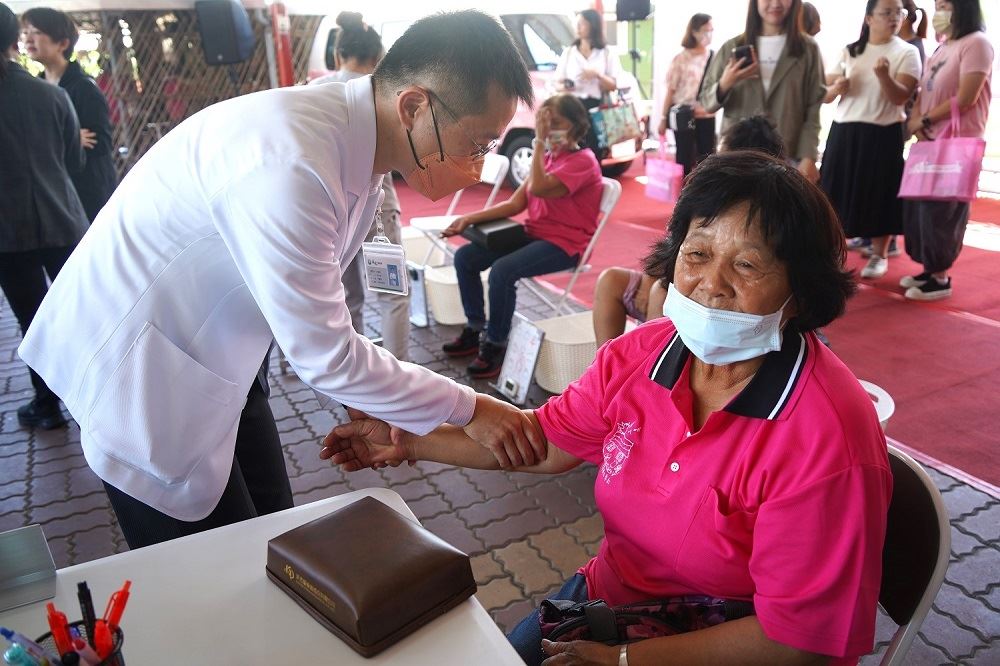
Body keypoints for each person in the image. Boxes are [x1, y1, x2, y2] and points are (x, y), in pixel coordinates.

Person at [325, 151, 890, 666]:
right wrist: (410, 441)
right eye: (697, 254)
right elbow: (541, 444)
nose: (710, 285)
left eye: (747, 265)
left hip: (731, 644)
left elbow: (797, 641)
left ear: (802, 289)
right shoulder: (641, 354)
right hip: (615, 601)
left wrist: (624, 663)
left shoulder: (827, 434)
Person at [18, 10, 545, 549]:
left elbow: (320, 311)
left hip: (219, 357)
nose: (479, 169)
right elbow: (326, 355)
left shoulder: (356, 144)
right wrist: (472, 409)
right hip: (138, 362)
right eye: (478, 144)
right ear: (414, 106)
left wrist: (372, 397)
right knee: (211, 567)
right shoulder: (292, 159)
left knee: (271, 526)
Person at [440, 94, 603, 378]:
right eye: (544, 120)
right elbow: (516, 203)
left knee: (503, 271)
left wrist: (538, 142)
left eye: (555, 121)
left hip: (565, 244)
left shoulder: (584, 162)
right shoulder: (550, 158)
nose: (548, 126)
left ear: (576, 125)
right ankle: (475, 327)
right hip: (534, 234)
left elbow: (539, 189)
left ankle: (496, 344)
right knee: (466, 257)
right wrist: (467, 219)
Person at [592, 115, 785, 347]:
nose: (715, 162)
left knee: (659, 292)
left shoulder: (778, 211)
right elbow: (674, 249)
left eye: (723, 158)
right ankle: (612, 361)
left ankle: (652, 363)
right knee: (612, 280)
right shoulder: (707, 197)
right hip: (674, 286)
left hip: (709, 312)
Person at [0, 2, 88, 431]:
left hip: (7, 235)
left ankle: (47, 404)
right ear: (13, 41)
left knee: (32, 320)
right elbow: (74, 161)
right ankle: (100, 396)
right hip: (63, 220)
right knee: (83, 310)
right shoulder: (52, 95)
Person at [309, 12, 410, 361]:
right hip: (377, 208)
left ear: (338, 56)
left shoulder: (315, 91)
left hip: (328, 206)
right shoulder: (385, 94)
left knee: (347, 295)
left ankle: (356, 380)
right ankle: (399, 377)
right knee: (393, 296)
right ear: (378, 58)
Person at [821, 0, 920, 280]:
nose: (894, 18)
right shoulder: (851, 50)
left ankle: (879, 254)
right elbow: (825, 94)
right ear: (868, 18)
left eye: (898, 13)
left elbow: (901, 97)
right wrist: (836, 88)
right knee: (834, 192)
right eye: (886, 12)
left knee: (880, 192)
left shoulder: (907, 52)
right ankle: (832, 253)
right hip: (844, 130)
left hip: (882, 131)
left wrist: (883, 76)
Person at [899, 0, 992, 300]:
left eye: (945, 4)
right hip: (928, 140)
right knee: (923, 210)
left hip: (955, 144)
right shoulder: (942, 46)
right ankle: (929, 268)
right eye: (937, 4)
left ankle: (940, 277)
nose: (939, 11)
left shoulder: (976, 43)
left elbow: (966, 97)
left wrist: (923, 119)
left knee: (944, 211)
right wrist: (917, 121)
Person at [700, 0, 826, 183]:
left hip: (785, 154)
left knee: (779, 210)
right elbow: (706, 102)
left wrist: (809, 156)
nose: (775, 3)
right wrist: (725, 83)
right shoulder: (732, 47)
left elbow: (813, 107)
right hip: (736, 155)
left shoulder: (807, 50)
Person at [22, 7, 117, 223]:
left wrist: (51, 139)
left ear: (62, 44)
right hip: (56, 189)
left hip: (88, 190)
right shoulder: (36, 87)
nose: (27, 38)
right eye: (25, 32)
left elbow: (99, 142)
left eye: (36, 32)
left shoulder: (84, 88)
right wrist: (70, 137)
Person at [554, 8, 622, 156]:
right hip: (571, 107)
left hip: (596, 109)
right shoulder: (569, 52)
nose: (578, 27)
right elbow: (556, 83)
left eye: (582, 23)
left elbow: (614, 85)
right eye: (577, 23)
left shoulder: (606, 52)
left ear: (593, 25)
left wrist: (597, 75)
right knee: (572, 151)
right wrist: (566, 86)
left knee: (595, 151)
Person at [656, 13, 716, 176]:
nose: (708, 35)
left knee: (707, 158)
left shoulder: (714, 57)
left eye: (711, 30)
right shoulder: (681, 58)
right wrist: (663, 118)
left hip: (706, 114)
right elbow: (671, 90)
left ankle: (705, 194)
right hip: (683, 114)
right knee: (684, 157)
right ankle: (684, 193)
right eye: (705, 30)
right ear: (694, 32)